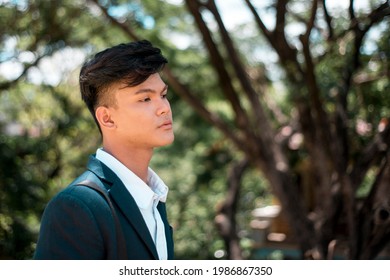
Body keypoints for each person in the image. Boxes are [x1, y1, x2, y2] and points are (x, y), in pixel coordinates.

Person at [34, 40, 175, 260]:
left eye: (163, 95)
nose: (164, 108)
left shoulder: (154, 200)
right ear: (107, 118)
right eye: (145, 98)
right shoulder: (77, 207)